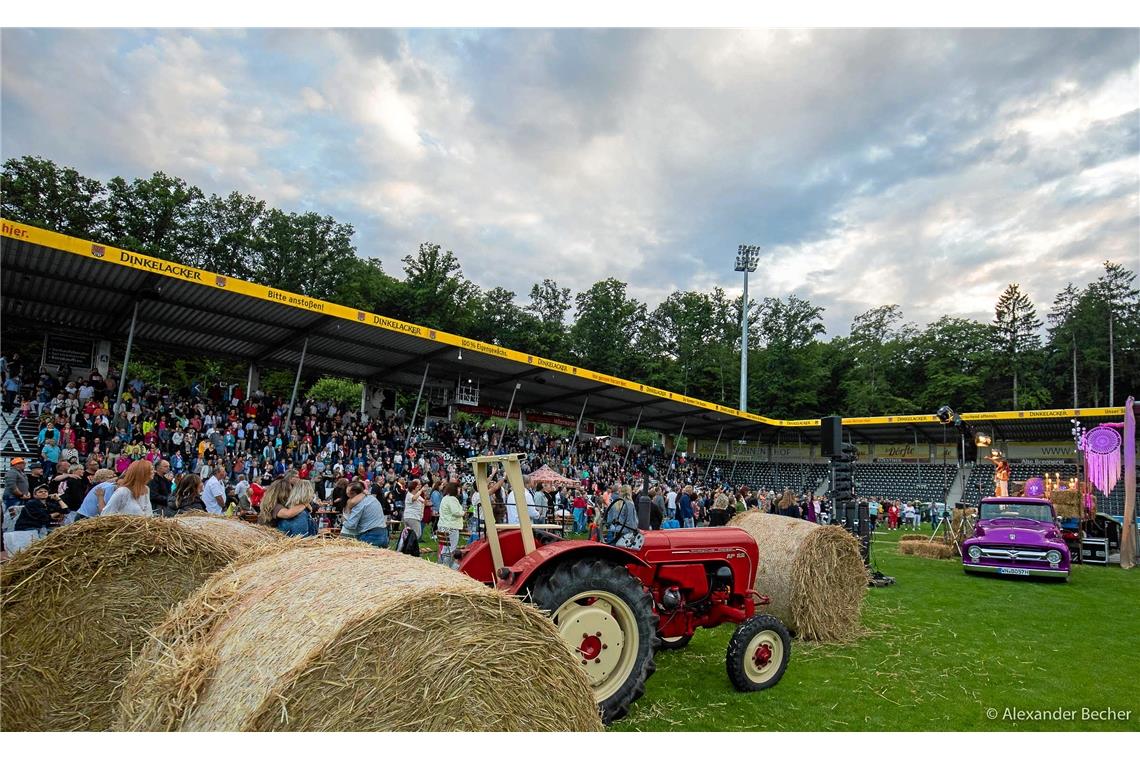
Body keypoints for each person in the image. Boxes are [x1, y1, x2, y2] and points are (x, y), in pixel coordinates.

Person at [341, 481, 388, 548]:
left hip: (370, 536)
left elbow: (351, 525)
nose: (349, 498)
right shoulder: (372, 498)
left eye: (349, 495)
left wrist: (343, 521)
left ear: (355, 494)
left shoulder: (359, 504)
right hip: (384, 533)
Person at [437, 481, 465, 564]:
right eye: (458, 488)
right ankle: (446, 566)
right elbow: (456, 512)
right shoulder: (452, 499)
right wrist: (463, 512)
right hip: (451, 526)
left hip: (443, 525)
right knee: (451, 549)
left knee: (445, 548)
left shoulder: (445, 498)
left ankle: (440, 564)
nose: (460, 490)